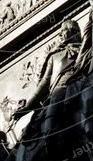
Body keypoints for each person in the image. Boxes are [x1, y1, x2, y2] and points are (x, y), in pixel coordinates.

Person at [13, 20, 85, 152]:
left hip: (80, 86)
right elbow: (44, 84)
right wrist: (27, 107)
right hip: (59, 91)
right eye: (60, 31)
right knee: (51, 117)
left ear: (74, 32)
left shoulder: (85, 49)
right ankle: (50, 144)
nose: (60, 34)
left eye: (64, 30)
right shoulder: (54, 56)